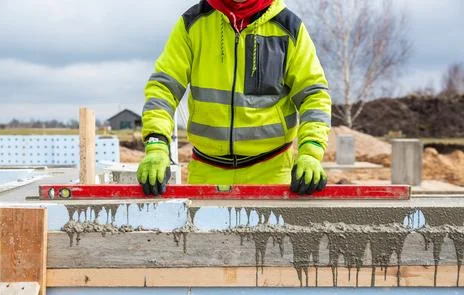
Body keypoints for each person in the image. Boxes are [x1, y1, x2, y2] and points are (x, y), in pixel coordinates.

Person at [137, 0, 331, 196]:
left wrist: (311, 152)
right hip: (207, 170)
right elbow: (163, 88)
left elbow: (313, 94)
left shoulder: (288, 27)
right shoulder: (193, 23)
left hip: (272, 172)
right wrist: (157, 144)